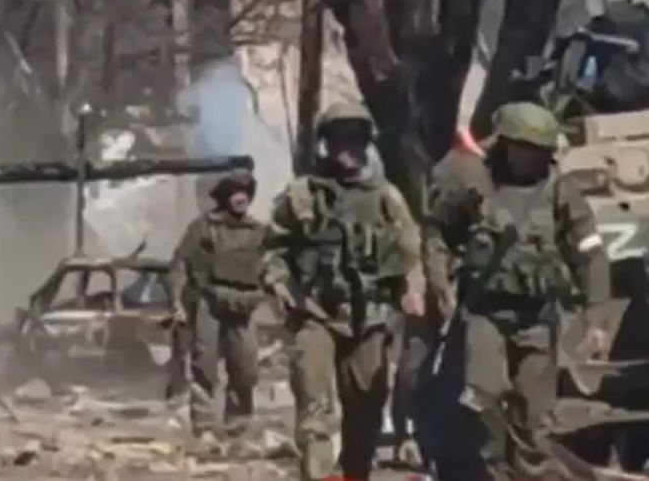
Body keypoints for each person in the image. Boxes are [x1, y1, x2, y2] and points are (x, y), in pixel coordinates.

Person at [423, 101, 612, 479]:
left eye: (539, 152)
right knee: (485, 400)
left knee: (535, 417)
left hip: (537, 318)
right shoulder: (474, 184)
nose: (531, 159)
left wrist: (597, 318)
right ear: (506, 145)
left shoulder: (561, 191)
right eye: (524, 149)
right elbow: (437, 232)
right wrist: (439, 283)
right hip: (485, 313)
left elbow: (589, 254)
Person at [261, 102, 426, 480]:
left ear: (367, 142)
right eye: (338, 139)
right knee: (315, 410)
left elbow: (410, 249)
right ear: (326, 144)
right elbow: (272, 247)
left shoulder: (386, 197)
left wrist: (411, 287)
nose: (347, 147)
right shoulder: (302, 195)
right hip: (314, 312)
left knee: (367, 406)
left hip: (369, 317)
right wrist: (279, 283)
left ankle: (355, 473)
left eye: (355, 138)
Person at [166, 170, 267, 438]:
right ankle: (205, 425)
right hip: (208, 302)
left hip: (244, 305)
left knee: (245, 367)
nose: (241, 198)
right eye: (235, 193)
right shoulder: (204, 227)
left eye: (245, 193)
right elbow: (179, 265)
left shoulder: (259, 232)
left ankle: (238, 424)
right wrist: (177, 302)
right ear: (224, 197)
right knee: (205, 366)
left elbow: (272, 267)